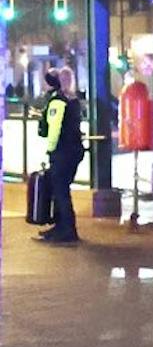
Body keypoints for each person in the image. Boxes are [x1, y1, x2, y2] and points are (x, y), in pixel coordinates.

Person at [37, 66, 83, 243]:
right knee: (61, 190)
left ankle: (67, 231)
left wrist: (50, 149)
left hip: (62, 152)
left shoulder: (57, 102)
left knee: (61, 191)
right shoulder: (72, 100)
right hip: (73, 151)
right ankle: (61, 227)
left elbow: (54, 129)